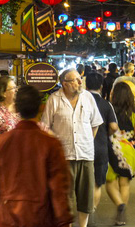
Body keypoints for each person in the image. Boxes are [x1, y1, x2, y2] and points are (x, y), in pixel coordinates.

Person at [0, 85, 73, 227]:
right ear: (41, 107)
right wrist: (63, 219)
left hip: (8, 217)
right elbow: (59, 188)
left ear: (16, 108)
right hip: (41, 216)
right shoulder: (51, 143)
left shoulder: (1, 143)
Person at [41, 68, 103, 227]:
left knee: (85, 197)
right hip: (63, 157)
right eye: (75, 80)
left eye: (79, 78)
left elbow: (95, 124)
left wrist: (86, 141)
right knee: (64, 198)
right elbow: (45, 128)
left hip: (85, 154)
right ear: (64, 84)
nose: (80, 82)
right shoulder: (54, 100)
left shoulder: (88, 97)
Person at [105, 83, 135, 225]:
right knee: (124, 184)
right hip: (129, 150)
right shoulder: (134, 111)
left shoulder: (109, 109)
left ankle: (119, 204)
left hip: (112, 149)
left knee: (110, 183)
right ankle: (121, 218)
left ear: (115, 95)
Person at [85, 72, 119, 217]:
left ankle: (82, 213)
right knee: (97, 183)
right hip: (100, 147)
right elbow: (114, 126)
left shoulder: (79, 102)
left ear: (86, 85)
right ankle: (91, 211)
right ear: (100, 86)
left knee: (81, 183)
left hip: (81, 148)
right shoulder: (106, 104)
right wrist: (106, 135)